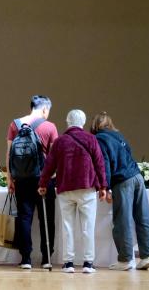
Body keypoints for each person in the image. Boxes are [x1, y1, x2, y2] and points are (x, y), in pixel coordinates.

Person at [38, 109, 108, 274]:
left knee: (67, 226)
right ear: (82, 123)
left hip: (65, 189)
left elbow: (49, 165)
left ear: (68, 122)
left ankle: (68, 263)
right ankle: (88, 263)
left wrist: (42, 183)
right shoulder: (91, 139)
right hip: (87, 188)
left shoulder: (60, 141)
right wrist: (103, 186)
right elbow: (100, 163)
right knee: (87, 227)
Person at [90, 112, 149, 271]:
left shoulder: (99, 139)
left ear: (95, 125)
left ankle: (126, 260)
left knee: (122, 220)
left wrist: (105, 187)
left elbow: (104, 163)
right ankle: (146, 257)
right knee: (143, 217)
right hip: (137, 176)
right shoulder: (119, 136)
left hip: (123, 181)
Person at [6, 95, 59, 269]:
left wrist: (10, 178)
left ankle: (26, 259)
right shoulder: (50, 127)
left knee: (24, 217)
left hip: (21, 179)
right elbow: (54, 157)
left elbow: (9, 153)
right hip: (43, 179)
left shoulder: (15, 124)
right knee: (46, 218)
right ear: (44, 109)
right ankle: (46, 258)